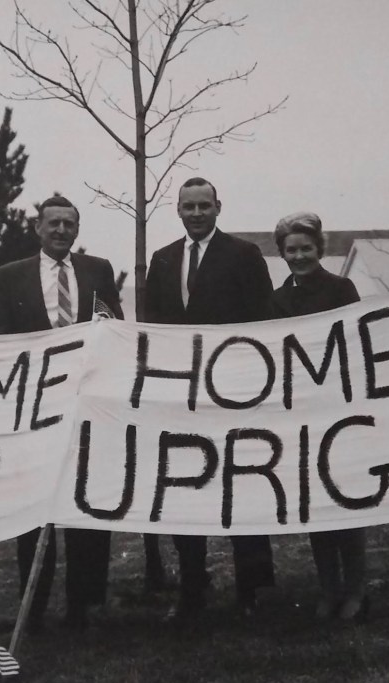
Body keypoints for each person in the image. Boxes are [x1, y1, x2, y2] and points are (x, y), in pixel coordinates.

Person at [0, 194, 123, 632]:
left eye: (69, 223)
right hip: (35, 411)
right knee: (34, 511)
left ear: (77, 230)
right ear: (37, 228)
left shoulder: (97, 270)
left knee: (88, 504)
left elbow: (112, 328)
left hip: (86, 407)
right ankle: (35, 606)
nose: (61, 230)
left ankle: (86, 605)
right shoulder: (9, 277)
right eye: (53, 223)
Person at [145, 177, 275, 625]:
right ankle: (192, 588)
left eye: (204, 205)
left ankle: (252, 589)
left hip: (235, 392)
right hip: (181, 395)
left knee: (245, 484)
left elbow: (264, 322)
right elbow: (152, 325)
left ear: (219, 207)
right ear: (177, 210)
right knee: (185, 487)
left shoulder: (244, 255)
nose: (197, 213)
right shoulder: (162, 260)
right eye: (188, 206)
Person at [269, 211, 368, 621]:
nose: (299, 256)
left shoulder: (341, 288)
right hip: (300, 415)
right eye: (291, 250)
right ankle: (328, 589)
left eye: (306, 248)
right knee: (316, 504)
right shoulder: (276, 299)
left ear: (319, 249)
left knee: (348, 501)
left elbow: (359, 343)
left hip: (338, 410)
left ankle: (356, 589)